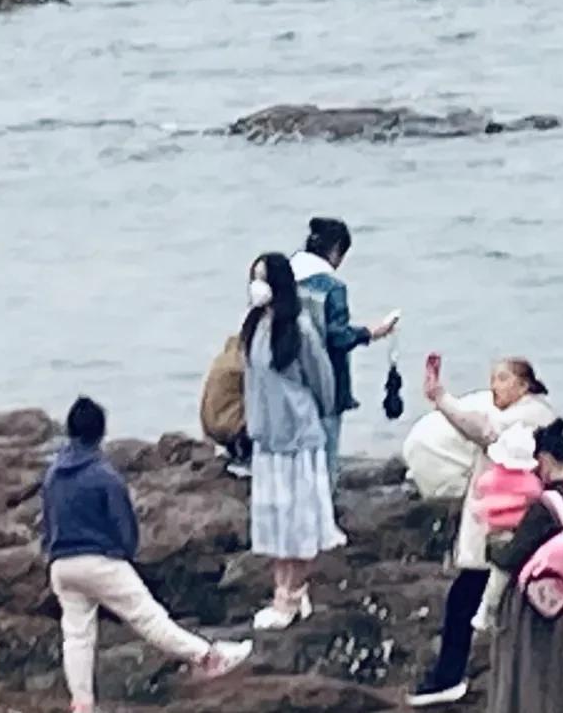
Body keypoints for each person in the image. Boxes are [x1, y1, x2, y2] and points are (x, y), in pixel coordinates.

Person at [44, 395, 250, 711]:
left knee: (76, 636)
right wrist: (123, 554)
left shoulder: (54, 473)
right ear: (100, 434)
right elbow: (124, 528)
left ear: (70, 431)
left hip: (62, 565)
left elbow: (49, 519)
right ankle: (207, 657)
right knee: (149, 619)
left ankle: (82, 703)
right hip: (99, 561)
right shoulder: (104, 474)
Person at [407, 355, 556, 704]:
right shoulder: (522, 415)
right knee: (482, 604)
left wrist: (441, 397)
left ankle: (450, 678)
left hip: (508, 535)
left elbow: (483, 429)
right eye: (493, 378)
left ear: (524, 385)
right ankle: (464, 678)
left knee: (466, 602)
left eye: (503, 379)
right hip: (501, 532)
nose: (495, 386)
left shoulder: (529, 417)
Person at [240, 254, 342, 631]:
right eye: (254, 278)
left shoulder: (298, 328)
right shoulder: (254, 325)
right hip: (267, 439)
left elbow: (321, 379)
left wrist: (321, 414)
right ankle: (282, 591)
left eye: (263, 278)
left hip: (298, 439)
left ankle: (292, 595)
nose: (257, 285)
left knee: (299, 523)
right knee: (275, 522)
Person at [483, 420, 563, 713]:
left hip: (530, 600)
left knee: (522, 668)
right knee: (551, 668)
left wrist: (491, 544)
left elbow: (511, 556)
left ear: (544, 460)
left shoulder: (544, 505)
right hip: (562, 596)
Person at [296, 218, 400, 469]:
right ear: (335, 251)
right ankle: (325, 502)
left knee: (299, 453)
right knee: (326, 451)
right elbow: (337, 336)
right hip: (326, 380)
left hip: (291, 376)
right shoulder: (332, 287)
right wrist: (370, 333)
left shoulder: (285, 276)